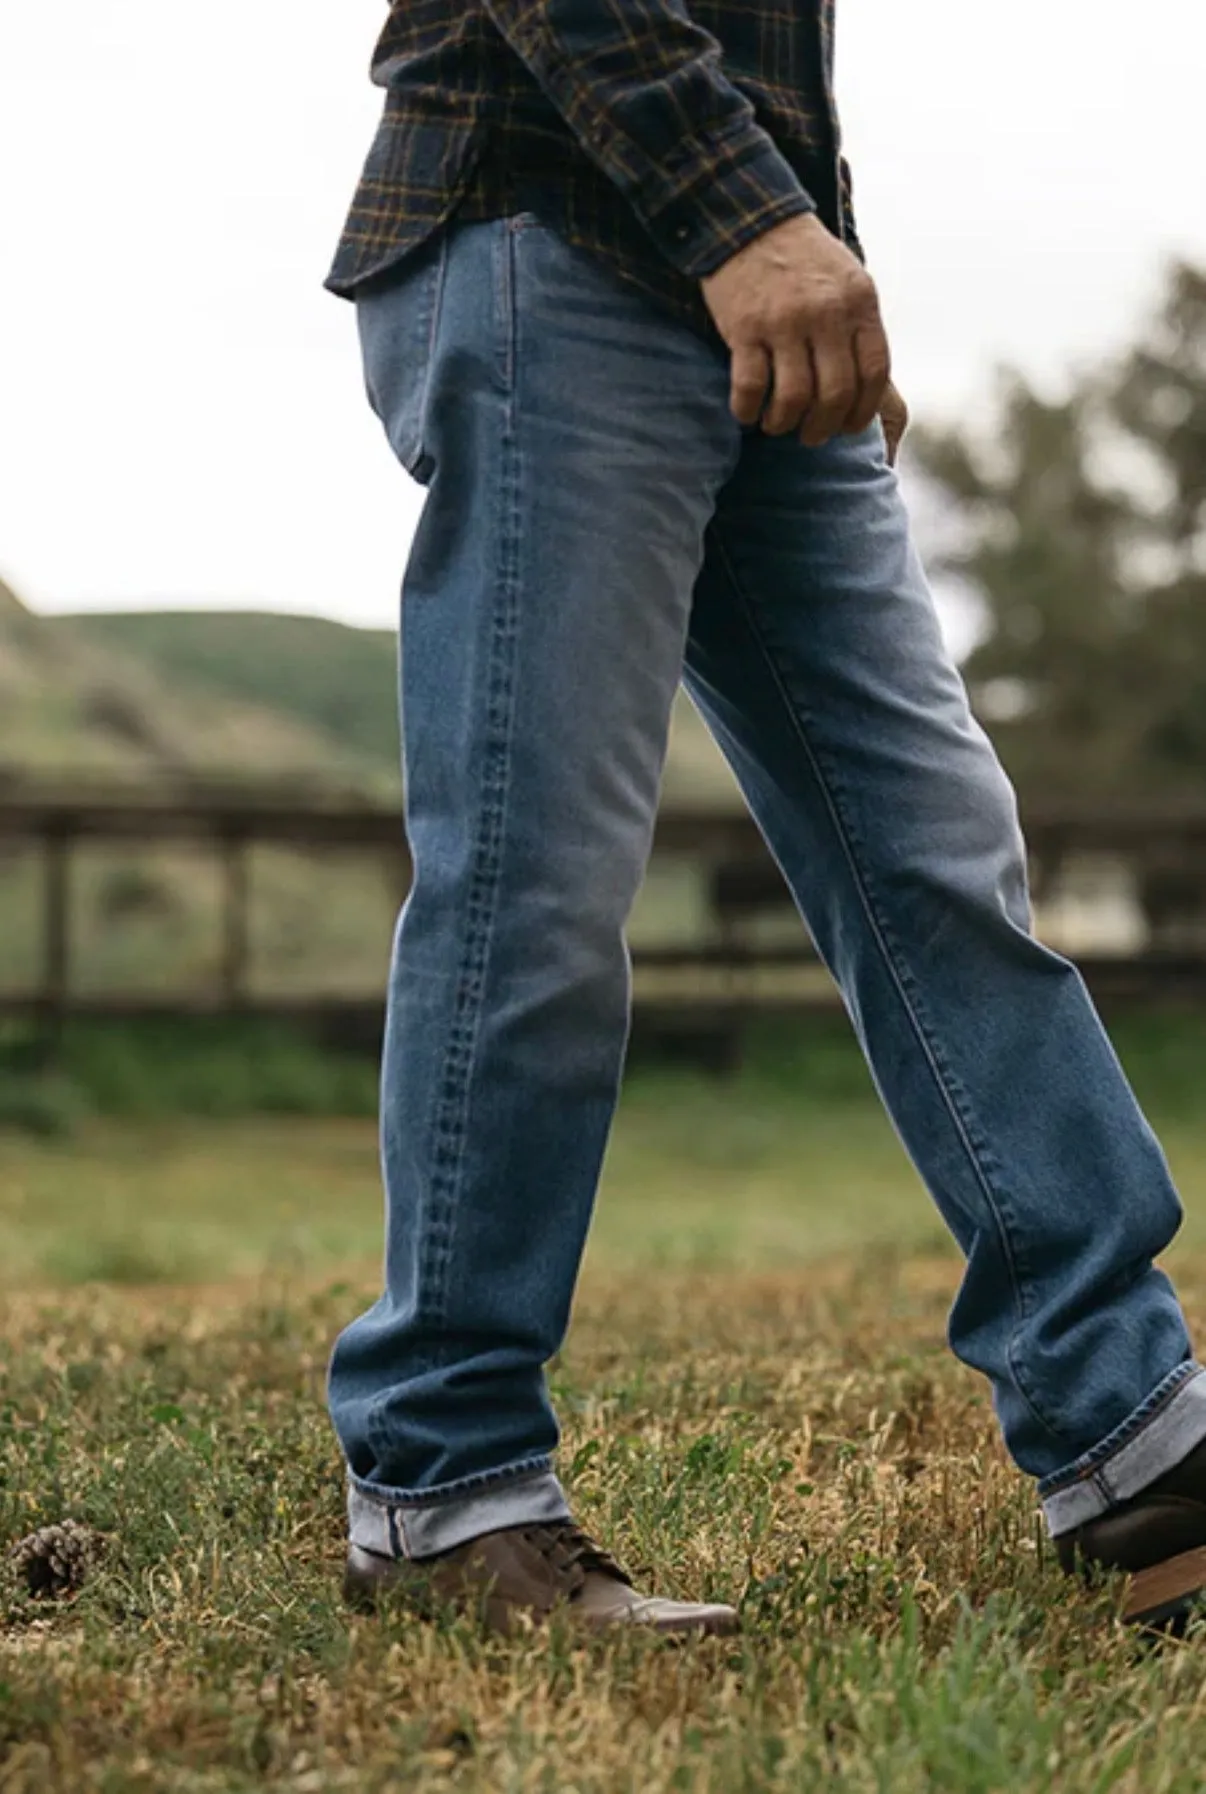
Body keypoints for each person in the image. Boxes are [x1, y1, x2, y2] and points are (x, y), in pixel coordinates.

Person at [325, 0, 1206, 1637]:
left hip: (759, 288)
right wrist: (748, 217)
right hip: (548, 232)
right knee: (538, 883)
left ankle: (1131, 1428)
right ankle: (442, 1482)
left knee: (941, 861)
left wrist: (812, 252)